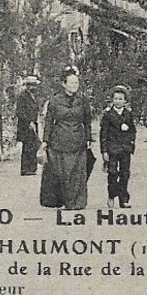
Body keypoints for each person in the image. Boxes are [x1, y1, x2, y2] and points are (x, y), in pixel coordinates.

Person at [39, 66, 92, 210]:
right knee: (62, 172)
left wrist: (89, 139)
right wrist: (45, 141)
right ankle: (60, 200)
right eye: (71, 83)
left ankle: (76, 203)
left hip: (78, 141)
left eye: (76, 83)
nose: (74, 86)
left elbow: (87, 121)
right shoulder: (55, 101)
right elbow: (49, 122)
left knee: (77, 173)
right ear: (64, 84)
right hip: (59, 141)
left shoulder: (83, 100)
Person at [100, 85, 136, 208]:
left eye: (121, 99)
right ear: (112, 100)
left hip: (125, 148)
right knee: (113, 173)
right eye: (116, 98)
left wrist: (131, 143)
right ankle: (111, 195)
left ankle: (123, 199)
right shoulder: (108, 114)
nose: (118, 101)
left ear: (125, 101)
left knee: (125, 173)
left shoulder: (128, 114)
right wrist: (104, 150)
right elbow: (103, 133)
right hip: (112, 149)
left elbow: (133, 130)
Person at [16, 75, 40, 176]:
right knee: (27, 146)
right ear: (28, 86)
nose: (34, 87)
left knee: (33, 146)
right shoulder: (23, 96)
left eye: (35, 85)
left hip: (33, 124)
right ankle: (25, 169)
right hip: (26, 126)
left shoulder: (32, 96)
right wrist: (28, 121)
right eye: (32, 85)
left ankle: (32, 168)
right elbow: (21, 112)